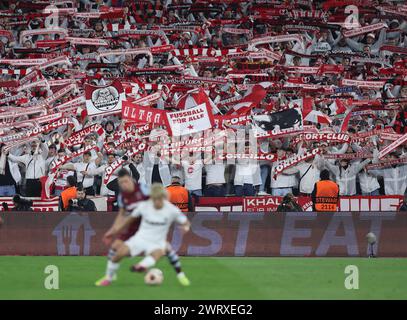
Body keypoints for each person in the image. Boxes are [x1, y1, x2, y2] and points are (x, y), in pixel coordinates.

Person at [96, 183, 191, 287]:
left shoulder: (172, 210)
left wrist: (185, 227)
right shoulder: (144, 206)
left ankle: (141, 266)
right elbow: (129, 220)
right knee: (118, 255)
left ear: (164, 198)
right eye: (154, 199)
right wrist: (113, 232)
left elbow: (185, 222)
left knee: (158, 253)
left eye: (159, 199)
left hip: (157, 241)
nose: (156, 202)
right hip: (140, 238)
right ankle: (109, 278)